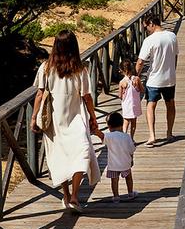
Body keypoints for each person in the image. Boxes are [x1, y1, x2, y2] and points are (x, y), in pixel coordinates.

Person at [30, 30, 100, 213]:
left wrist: (34, 117)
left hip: (63, 118)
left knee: (73, 154)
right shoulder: (78, 69)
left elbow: (39, 94)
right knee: (75, 154)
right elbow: (87, 97)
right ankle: (68, 195)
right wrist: (93, 116)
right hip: (67, 118)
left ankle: (73, 196)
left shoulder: (48, 67)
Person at [136, 14, 179, 147]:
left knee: (151, 105)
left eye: (146, 27)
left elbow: (140, 62)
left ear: (151, 24)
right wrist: (172, 70)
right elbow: (175, 56)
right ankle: (169, 133)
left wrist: (135, 76)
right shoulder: (172, 36)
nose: (146, 30)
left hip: (154, 79)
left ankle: (152, 135)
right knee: (170, 104)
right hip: (170, 78)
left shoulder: (149, 40)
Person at [94, 112, 137, 203]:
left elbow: (101, 135)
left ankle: (116, 196)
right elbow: (131, 150)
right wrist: (131, 160)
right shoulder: (127, 137)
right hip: (125, 163)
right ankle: (130, 193)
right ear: (122, 124)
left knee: (114, 181)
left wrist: (95, 130)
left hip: (113, 165)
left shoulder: (109, 136)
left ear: (109, 126)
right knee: (129, 178)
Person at [118, 59, 143, 140]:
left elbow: (120, 96)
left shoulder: (122, 82)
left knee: (126, 122)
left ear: (121, 70)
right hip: (135, 104)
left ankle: (124, 138)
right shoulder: (136, 79)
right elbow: (142, 90)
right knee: (133, 122)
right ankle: (131, 139)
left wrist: (123, 94)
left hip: (126, 104)